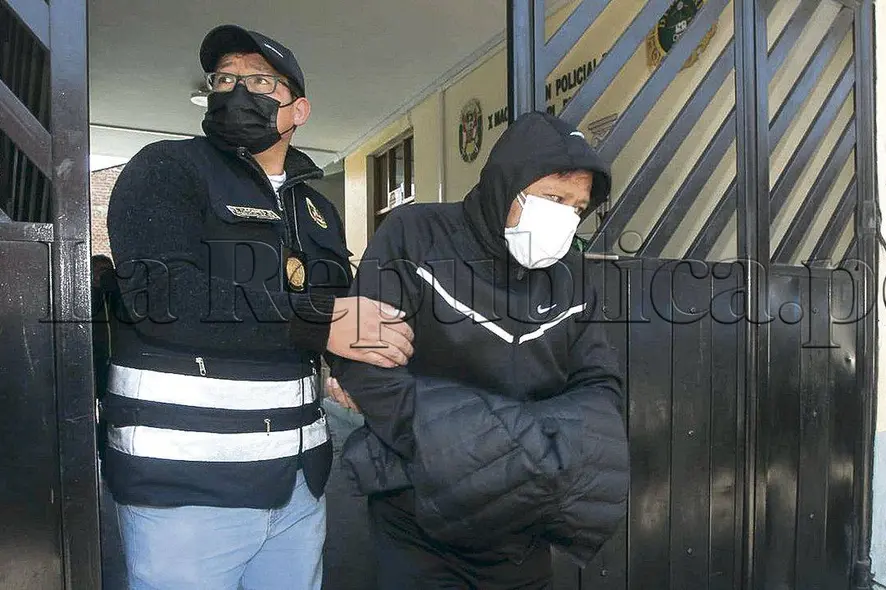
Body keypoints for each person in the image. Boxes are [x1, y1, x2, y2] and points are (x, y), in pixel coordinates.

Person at [104, 24, 413, 590]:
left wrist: (347, 367)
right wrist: (321, 326)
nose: (237, 90)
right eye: (225, 78)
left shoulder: (316, 208)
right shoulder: (167, 169)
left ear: (300, 111)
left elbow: (328, 305)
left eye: (260, 81)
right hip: (187, 487)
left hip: (297, 482)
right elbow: (164, 298)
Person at [334, 111, 630, 589]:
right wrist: (506, 450)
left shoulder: (573, 274)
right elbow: (367, 366)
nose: (566, 217)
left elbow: (599, 386)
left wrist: (509, 460)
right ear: (505, 185)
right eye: (553, 198)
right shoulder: (415, 235)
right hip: (418, 517)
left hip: (522, 527)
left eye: (577, 208)